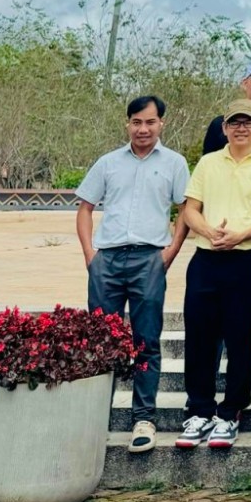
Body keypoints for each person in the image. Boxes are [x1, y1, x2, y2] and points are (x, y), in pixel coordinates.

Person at [75, 94, 190, 455]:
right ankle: (94, 417)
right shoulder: (108, 163)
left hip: (148, 261)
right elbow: (85, 209)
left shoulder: (174, 163)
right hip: (106, 261)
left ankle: (143, 419)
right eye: (137, 122)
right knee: (100, 342)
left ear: (161, 124)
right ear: (128, 123)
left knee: (146, 341)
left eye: (150, 122)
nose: (143, 129)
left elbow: (185, 209)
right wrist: (91, 255)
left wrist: (169, 252)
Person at [176, 97, 251, 450]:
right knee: (199, 336)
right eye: (234, 122)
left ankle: (231, 411)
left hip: (246, 259)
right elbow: (190, 208)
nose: (241, 128)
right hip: (206, 259)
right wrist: (208, 232)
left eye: (248, 122)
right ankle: (200, 410)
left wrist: (241, 235)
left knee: (240, 338)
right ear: (224, 127)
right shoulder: (208, 163)